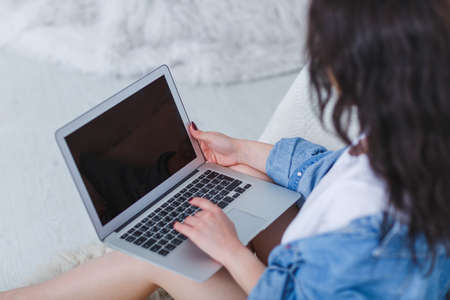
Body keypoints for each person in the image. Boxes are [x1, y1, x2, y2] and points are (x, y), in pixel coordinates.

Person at [3, 0, 450, 299]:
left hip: (296, 285)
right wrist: (242, 150)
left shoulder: (370, 243)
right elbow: (328, 173)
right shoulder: (412, 143)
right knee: (251, 182)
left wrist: (233, 253)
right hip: (316, 260)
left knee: (161, 260)